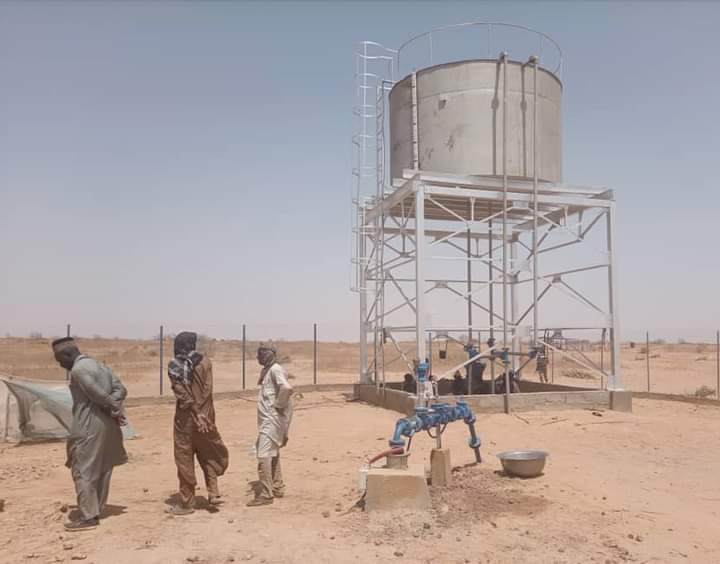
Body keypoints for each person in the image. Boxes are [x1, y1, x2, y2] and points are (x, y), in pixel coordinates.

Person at [51, 337, 128, 531]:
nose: (60, 364)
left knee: (82, 469)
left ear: (68, 354)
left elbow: (96, 393)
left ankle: (88, 517)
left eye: (60, 360)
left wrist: (113, 407)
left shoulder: (78, 370)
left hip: (88, 425)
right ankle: (96, 508)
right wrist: (114, 406)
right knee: (102, 467)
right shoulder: (98, 365)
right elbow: (121, 389)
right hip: (107, 425)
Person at [166, 331, 229, 515]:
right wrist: (203, 415)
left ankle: (187, 502)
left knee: (184, 457)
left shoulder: (175, 365)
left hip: (186, 419)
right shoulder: (206, 362)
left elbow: (183, 395)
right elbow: (207, 390)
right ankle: (213, 492)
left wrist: (196, 414)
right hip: (208, 415)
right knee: (208, 452)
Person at [248, 342, 293, 507]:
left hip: (271, 421)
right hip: (268, 421)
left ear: (268, 354)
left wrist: (277, 407)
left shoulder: (275, 369)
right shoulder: (267, 371)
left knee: (263, 455)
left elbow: (287, 389)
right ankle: (277, 486)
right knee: (272, 453)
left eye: (260, 353)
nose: (257, 357)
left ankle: (267, 494)